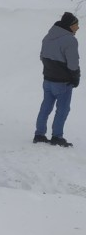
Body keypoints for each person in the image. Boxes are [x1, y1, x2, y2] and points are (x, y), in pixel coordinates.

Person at [34, 12, 80, 147]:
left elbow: (42, 56)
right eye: (76, 25)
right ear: (70, 25)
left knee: (45, 107)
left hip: (48, 80)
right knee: (63, 109)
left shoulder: (48, 37)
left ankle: (39, 134)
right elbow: (73, 64)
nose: (78, 28)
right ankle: (57, 137)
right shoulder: (70, 40)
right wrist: (76, 77)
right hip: (63, 82)